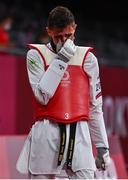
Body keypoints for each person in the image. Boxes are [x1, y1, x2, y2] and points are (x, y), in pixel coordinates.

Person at [16, 6, 110, 179]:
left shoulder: (88, 58)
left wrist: (102, 146)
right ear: (49, 31)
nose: (64, 41)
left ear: (74, 28)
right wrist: (62, 59)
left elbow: (95, 106)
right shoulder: (36, 55)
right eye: (58, 37)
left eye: (68, 35)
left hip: (80, 134)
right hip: (46, 133)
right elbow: (42, 96)